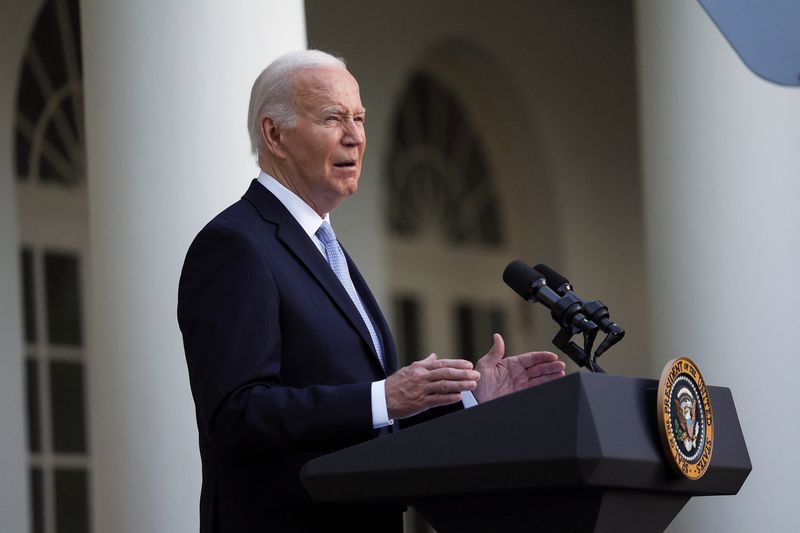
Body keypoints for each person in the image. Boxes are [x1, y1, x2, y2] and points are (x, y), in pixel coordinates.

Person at [177, 49, 566, 533]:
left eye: (359, 118)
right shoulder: (236, 245)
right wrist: (383, 397)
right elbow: (236, 415)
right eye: (333, 118)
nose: (356, 136)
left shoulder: (326, 247)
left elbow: (369, 419)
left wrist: (468, 400)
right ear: (274, 134)